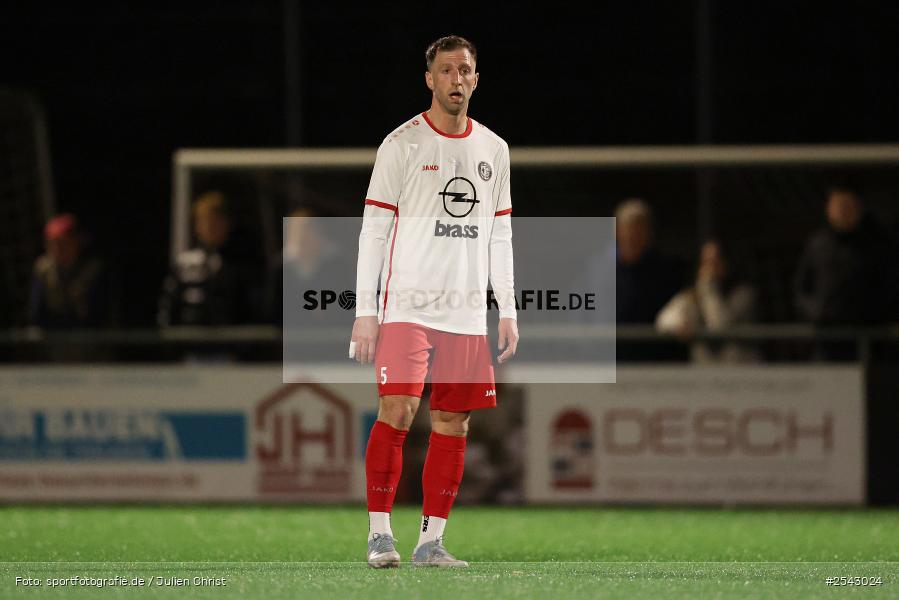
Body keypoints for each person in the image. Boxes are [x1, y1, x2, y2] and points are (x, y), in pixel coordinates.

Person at [351, 35, 518, 568]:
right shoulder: (400, 145)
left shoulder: (494, 149)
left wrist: (508, 310)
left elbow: (500, 237)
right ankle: (380, 534)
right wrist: (365, 311)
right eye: (445, 70)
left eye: (464, 69)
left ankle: (430, 542)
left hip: (466, 315)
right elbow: (373, 232)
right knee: (397, 411)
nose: (455, 78)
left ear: (475, 78)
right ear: (430, 79)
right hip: (408, 307)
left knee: (453, 423)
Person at [157, 191, 258, 327]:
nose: (211, 227)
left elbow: (246, 312)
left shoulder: (237, 266)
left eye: (217, 221)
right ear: (197, 226)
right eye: (206, 221)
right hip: (189, 342)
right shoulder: (184, 264)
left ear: (227, 224)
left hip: (227, 342)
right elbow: (168, 308)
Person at [656, 239, 758, 362]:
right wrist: (678, 324)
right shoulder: (696, 293)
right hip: (705, 371)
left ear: (727, 262)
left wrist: (709, 287)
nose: (710, 268)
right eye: (706, 262)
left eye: (715, 261)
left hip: (739, 370)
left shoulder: (743, 294)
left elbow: (719, 328)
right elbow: (663, 320)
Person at [614, 198, 685, 360]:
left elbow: (676, 314)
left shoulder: (666, 273)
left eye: (640, 230)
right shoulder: (601, 271)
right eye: (629, 229)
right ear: (618, 232)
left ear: (649, 233)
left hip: (652, 365)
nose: (633, 236)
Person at [29, 213, 110, 329]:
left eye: (63, 243)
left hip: (88, 337)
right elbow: (37, 313)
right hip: (55, 337)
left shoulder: (93, 269)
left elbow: (99, 313)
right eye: (53, 244)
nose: (58, 249)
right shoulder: (43, 269)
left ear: (77, 242)